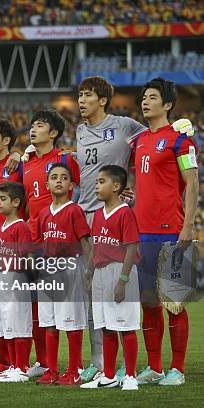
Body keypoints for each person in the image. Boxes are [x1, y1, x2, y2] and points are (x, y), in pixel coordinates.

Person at [132, 78, 198, 386]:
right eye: (144, 97)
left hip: (171, 230)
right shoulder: (140, 140)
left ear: (168, 104)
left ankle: (178, 370)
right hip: (142, 233)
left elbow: (193, 183)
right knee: (148, 302)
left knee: (174, 302)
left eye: (153, 97)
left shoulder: (181, 141)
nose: (145, 101)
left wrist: (189, 225)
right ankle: (155, 367)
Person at [17, 109, 80, 378]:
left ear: (53, 133)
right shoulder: (26, 163)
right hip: (35, 242)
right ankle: (45, 364)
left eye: (40, 125)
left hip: (63, 245)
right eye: (32, 124)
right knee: (40, 308)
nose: (33, 128)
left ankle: (77, 367)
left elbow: (83, 191)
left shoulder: (65, 159)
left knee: (69, 309)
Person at [81, 165, 140, 391]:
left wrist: (123, 280)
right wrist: (89, 273)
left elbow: (132, 247)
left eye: (101, 181)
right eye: (96, 181)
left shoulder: (125, 212)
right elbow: (95, 246)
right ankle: (109, 376)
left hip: (120, 271)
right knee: (105, 326)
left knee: (126, 326)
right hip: (101, 273)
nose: (97, 185)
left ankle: (131, 376)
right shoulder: (97, 214)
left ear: (116, 186)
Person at [32, 163, 90, 386]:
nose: (58, 180)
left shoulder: (74, 210)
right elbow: (37, 244)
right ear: (46, 184)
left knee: (71, 321)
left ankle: (75, 370)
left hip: (69, 268)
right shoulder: (44, 213)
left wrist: (88, 270)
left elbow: (85, 242)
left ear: (71, 185)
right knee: (49, 322)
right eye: (54, 177)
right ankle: (52, 370)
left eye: (64, 177)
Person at [0, 182, 33, 382]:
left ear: (16, 202)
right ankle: (12, 365)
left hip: (13, 277)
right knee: (3, 322)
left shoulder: (21, 227)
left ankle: (20, 368)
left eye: (3, 199)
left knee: (16, 321)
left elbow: (28, 254)